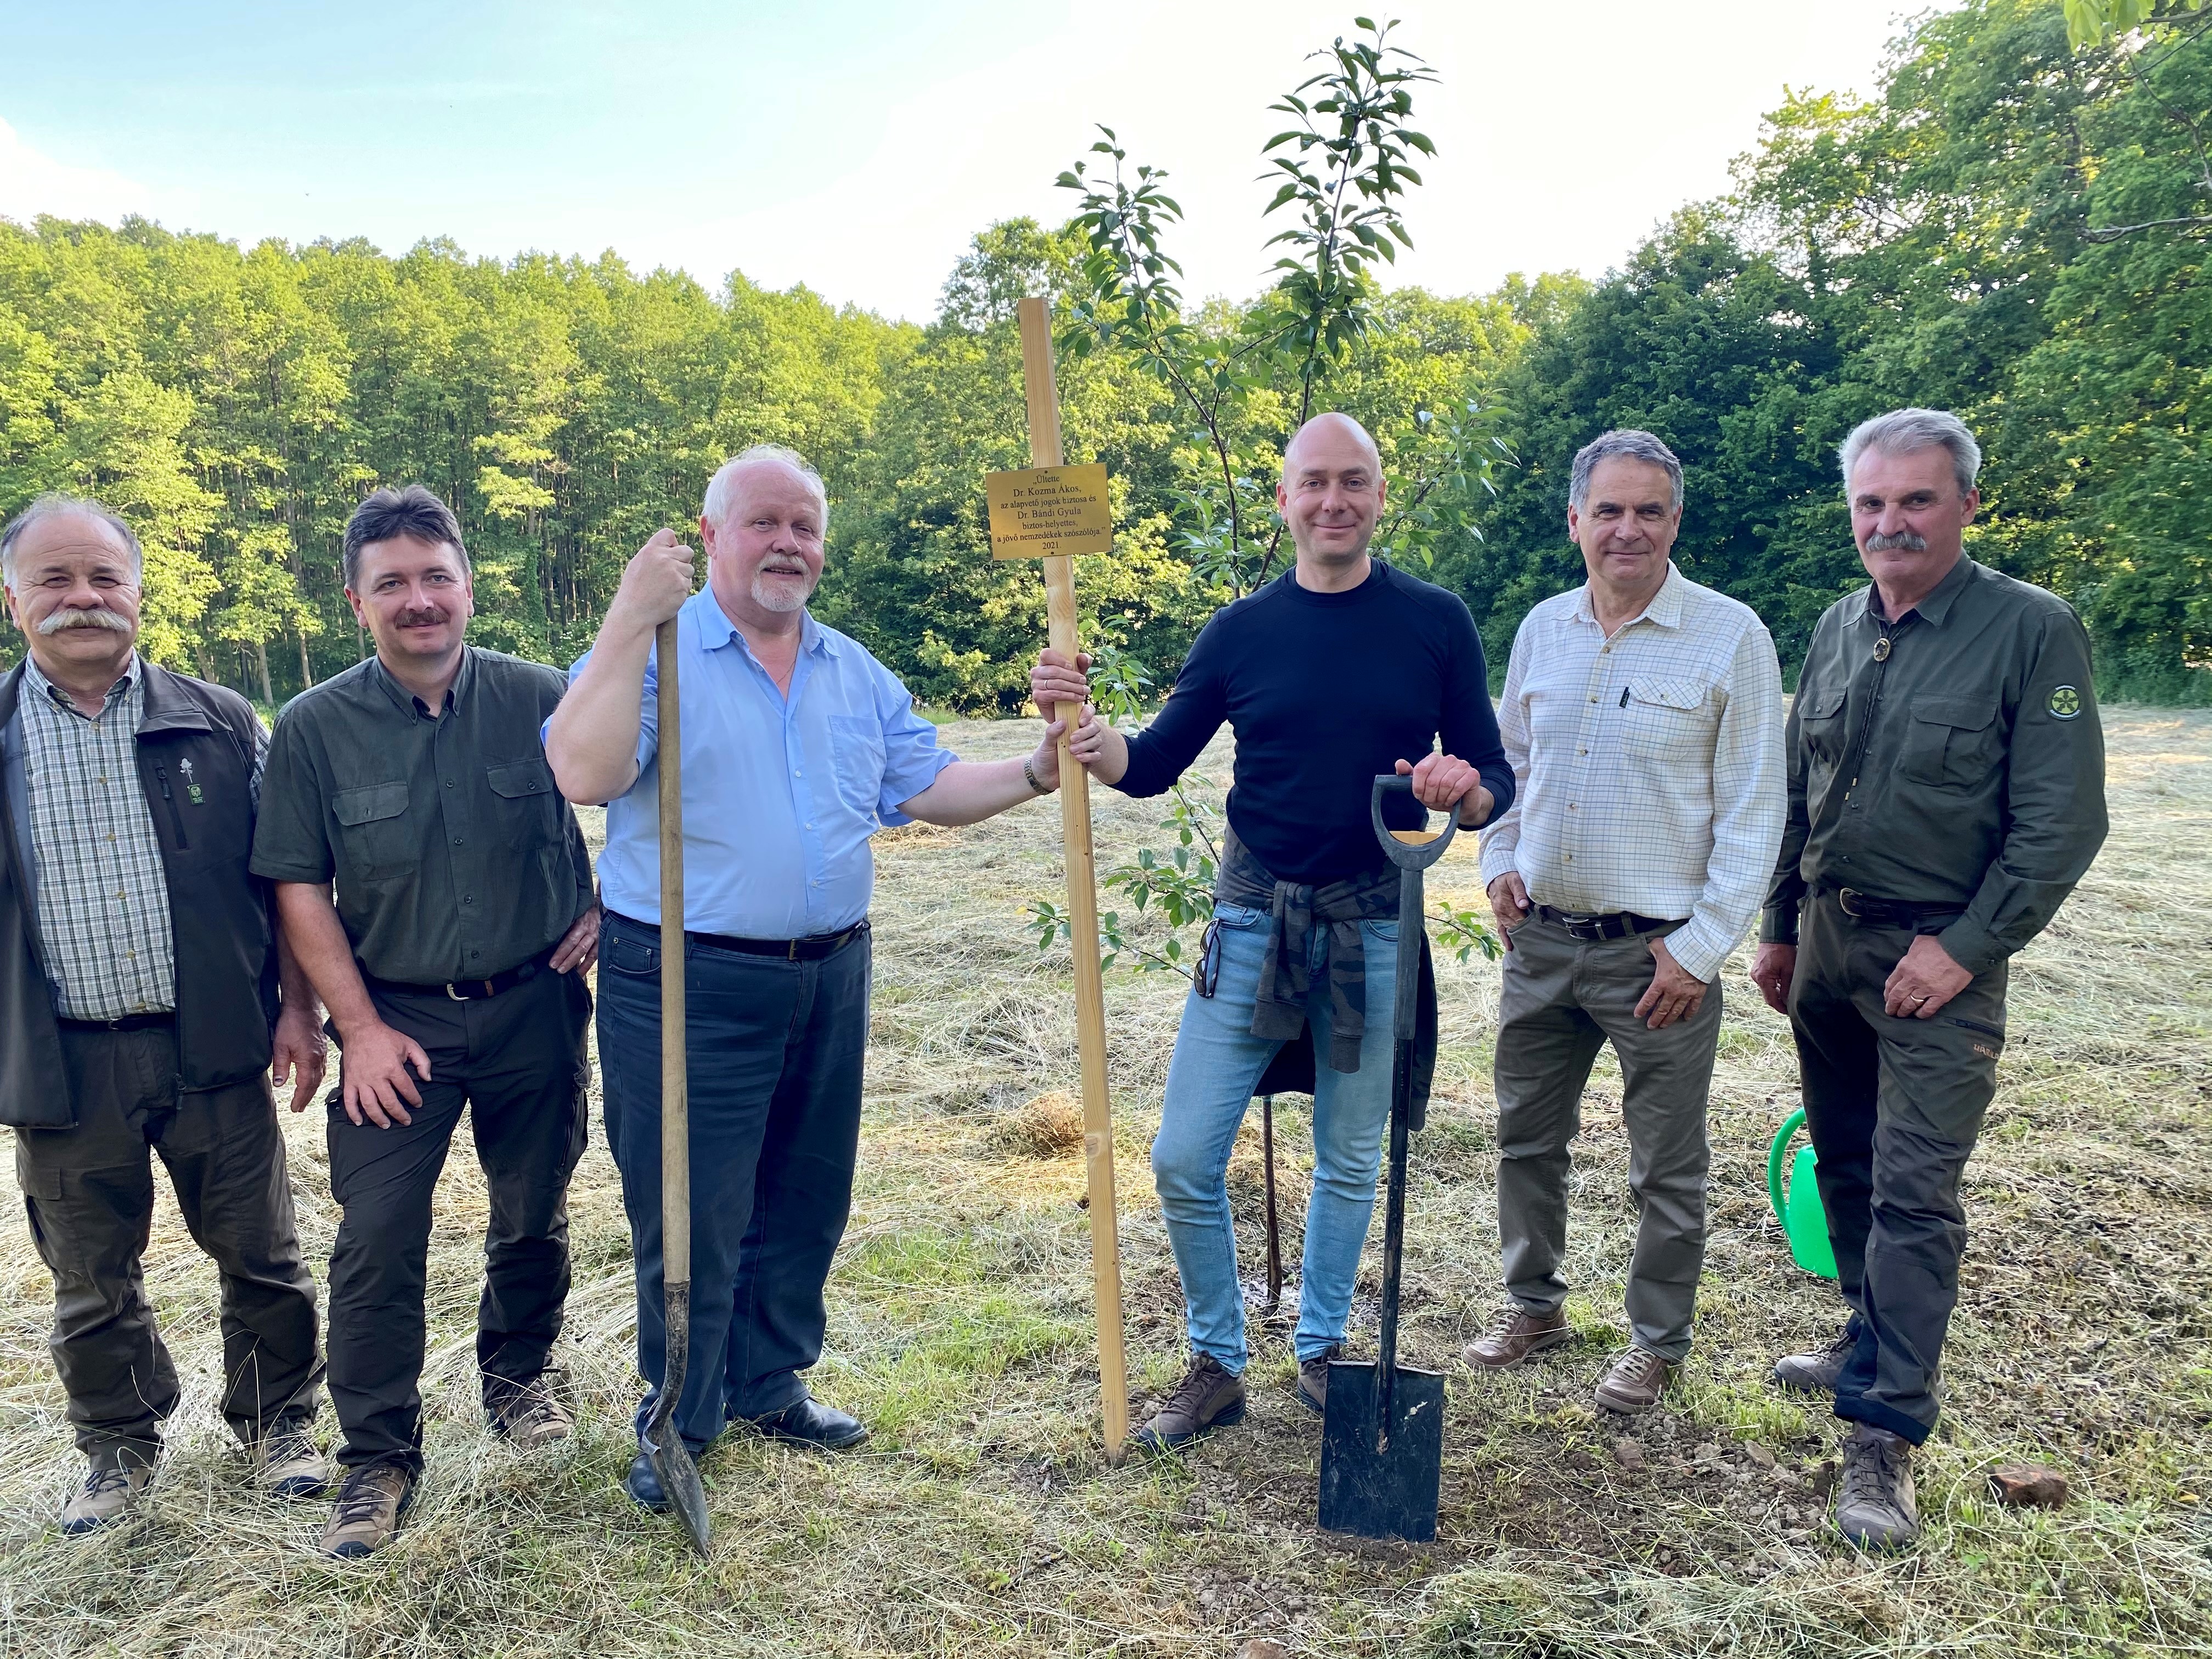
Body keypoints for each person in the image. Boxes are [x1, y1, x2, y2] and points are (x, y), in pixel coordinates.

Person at [545, 444, 1068, 1511]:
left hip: (830, 974)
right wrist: (627, 615)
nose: (788, 543)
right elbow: (584, 771)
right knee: (692, 1213)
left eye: (805, 527)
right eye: (764, 523)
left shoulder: (853, 672)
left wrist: (1033, 771)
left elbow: (926, 784)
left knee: (805, 1193)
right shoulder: (657, 651)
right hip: (687, 978)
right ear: (711, 536)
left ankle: (769, 1382)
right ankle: (680, 1418)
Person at [1030, 411, 1515, 1452]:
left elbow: (1492, 781)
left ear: (1379, 494)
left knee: (1348, 1156)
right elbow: (1150, 765)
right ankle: (1217, 1363)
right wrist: (1088, 732)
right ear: (1286, 497)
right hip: (1251, 923)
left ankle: (1323, 1348)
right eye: (1315, 483)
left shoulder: (1436, 622)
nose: (1334, 501)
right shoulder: (1241, 630)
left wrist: (1462, 790)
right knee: (1181, 1156)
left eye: (1355, 481)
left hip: (1374, 926)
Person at [1753, 409, 2107, 1549]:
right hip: (1828, 947)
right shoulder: (1837, 626)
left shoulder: (2030, 630)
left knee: (1914, 1193)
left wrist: (1962, 948)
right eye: (1872, 502)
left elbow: (2062, 823)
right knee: (1847, 1164)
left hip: (1939, 964)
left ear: (1966, 504)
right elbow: (1800, 795)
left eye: (1916, 499)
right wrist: (1779, 926)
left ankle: (1885, 1433)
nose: (1890, 522)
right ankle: (1865, 1333)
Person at [251, 486, 601, 1559]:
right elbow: (298, 885)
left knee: (533, 1209)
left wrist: (607, 903)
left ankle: (520, 1376)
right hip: (394, 1020)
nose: (419, 600)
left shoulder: (543, 697)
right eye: (392, 583)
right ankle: (378, 1458)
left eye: (436, 577)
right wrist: (356, 1027)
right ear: (357, 602)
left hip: (535, 1007)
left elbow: (634, 798)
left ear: (469, 586)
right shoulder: (314, 728)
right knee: (378, 1236)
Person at [1, 494, 328, 1534]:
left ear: (138, 595)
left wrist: (300, 1010)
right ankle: (119, 1449)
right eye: (55, 580)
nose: (83, 599)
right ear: (13, 600)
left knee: (262, 1255)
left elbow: (289, 880)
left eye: (105, 578)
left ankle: (280, 1425)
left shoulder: (220, 723)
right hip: (60, 1061)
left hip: (215, 1043)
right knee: (90, 1277)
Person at [1463, 430, 1786, 1413]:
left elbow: (1755, 811)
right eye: (1609, 510)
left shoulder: (1731, 637)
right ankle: (1534, 1305)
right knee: (1526, 1140)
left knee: (1666, 1166)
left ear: (1675, 521)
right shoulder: (1543, 630)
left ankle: (1657, 1341)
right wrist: (1498, 862)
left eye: (1649, 510)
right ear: (1576, 521)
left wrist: (1700, 950)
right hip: (1542, 941)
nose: (1628, 529)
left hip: (1659, 958)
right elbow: (1512, 767)